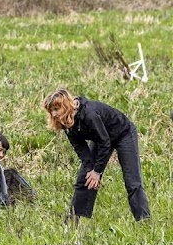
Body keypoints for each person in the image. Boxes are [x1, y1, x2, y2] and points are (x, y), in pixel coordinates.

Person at [44, 88, 150, 221]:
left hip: (123, 134)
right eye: (51, 110)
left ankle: (143, 219)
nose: (54, 114)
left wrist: (97, 171)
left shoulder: (89, 114)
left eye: (56, 109)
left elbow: (104, 142)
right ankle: (75, 220)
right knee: (85, 178)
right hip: (102, 139)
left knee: (132, 181)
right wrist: (90, 170)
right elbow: (81, 149)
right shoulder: (66, 122)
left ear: (65, 106)